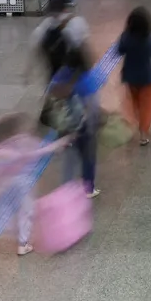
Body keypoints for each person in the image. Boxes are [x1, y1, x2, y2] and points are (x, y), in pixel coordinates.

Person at [0, 114, 69, 258]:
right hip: (20, 184)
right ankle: (23, 244)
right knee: (25, 211)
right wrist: (55, 146)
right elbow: (33, 154)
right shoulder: (13, 146)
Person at [46, 34, 104, 197]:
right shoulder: (87, 79)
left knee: (69, 159)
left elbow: (51, 96)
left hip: (64, 126)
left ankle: (66, 188)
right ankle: (88, 188)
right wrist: (96, 123)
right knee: (88, 157)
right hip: (83, 127)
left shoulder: (59, 76)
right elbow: (92, 106)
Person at [118, 6, 151, 145]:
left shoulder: (126, 38)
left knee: (134, 103)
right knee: (146, 106)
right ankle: (143, 133)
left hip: (131, 77)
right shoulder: (149, 39)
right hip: (148, 78)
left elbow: (119, 50)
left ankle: (131, 125)